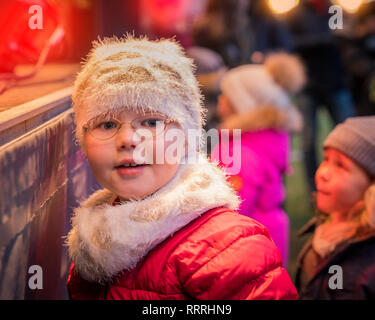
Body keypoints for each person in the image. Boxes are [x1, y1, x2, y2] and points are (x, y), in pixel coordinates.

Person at [65, 35, 298, 300]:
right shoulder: (93, 242)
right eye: (106, 124)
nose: (127, 139)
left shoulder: (228, 250)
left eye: (151, 123)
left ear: (186, 136)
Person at [210, 53, 306, 268]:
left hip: (245, 246)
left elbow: (231, 211)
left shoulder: (238, 153)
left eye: (227, 95)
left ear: (243, 103)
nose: (220, 99)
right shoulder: (267, 139)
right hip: (268, 233)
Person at [295, 116, 375, 299]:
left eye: (340, 165)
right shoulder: (322, 229)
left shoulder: (369, 264)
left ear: (371, 185)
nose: (322, 173)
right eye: (326, 159)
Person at [286, 0, 355, 194]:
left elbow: (345, 37)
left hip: (335, 82)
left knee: (348, 137)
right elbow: (291, 43)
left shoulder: (335, 10)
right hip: (309, 86)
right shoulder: (296, 13)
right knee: (309, 141)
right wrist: (327, 39)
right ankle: (314, 190)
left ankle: (349, 182)